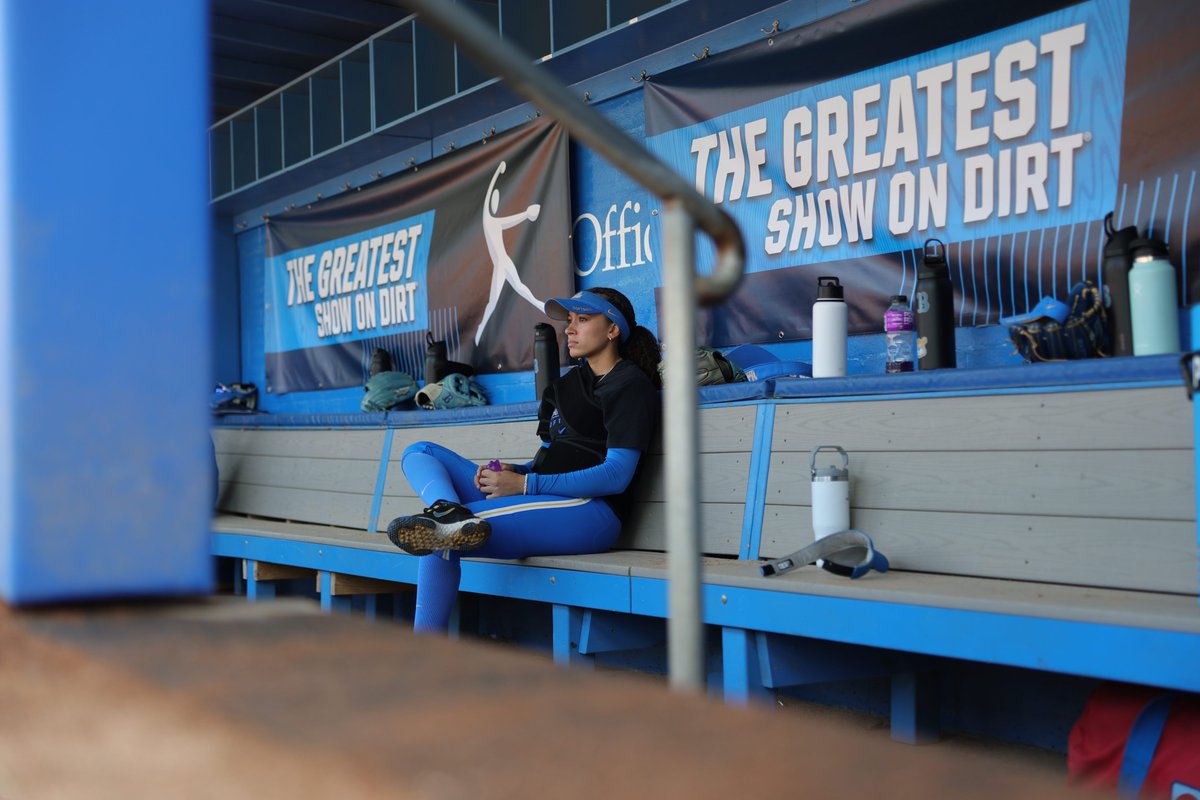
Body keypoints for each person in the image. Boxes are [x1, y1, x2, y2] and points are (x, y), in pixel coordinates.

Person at [385, 286, 661, 634]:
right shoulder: (571, 383)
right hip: (546, 495)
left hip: (593, 511)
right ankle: (447, 508)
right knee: (420, 452)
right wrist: (520, 470)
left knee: (436, 537)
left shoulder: (629, 385)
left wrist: (526, 484)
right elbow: (557, 455)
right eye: (570, 321)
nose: (570, 329)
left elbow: (617, 475)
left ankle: (423, 654)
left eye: (584, 319)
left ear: (613, 330)